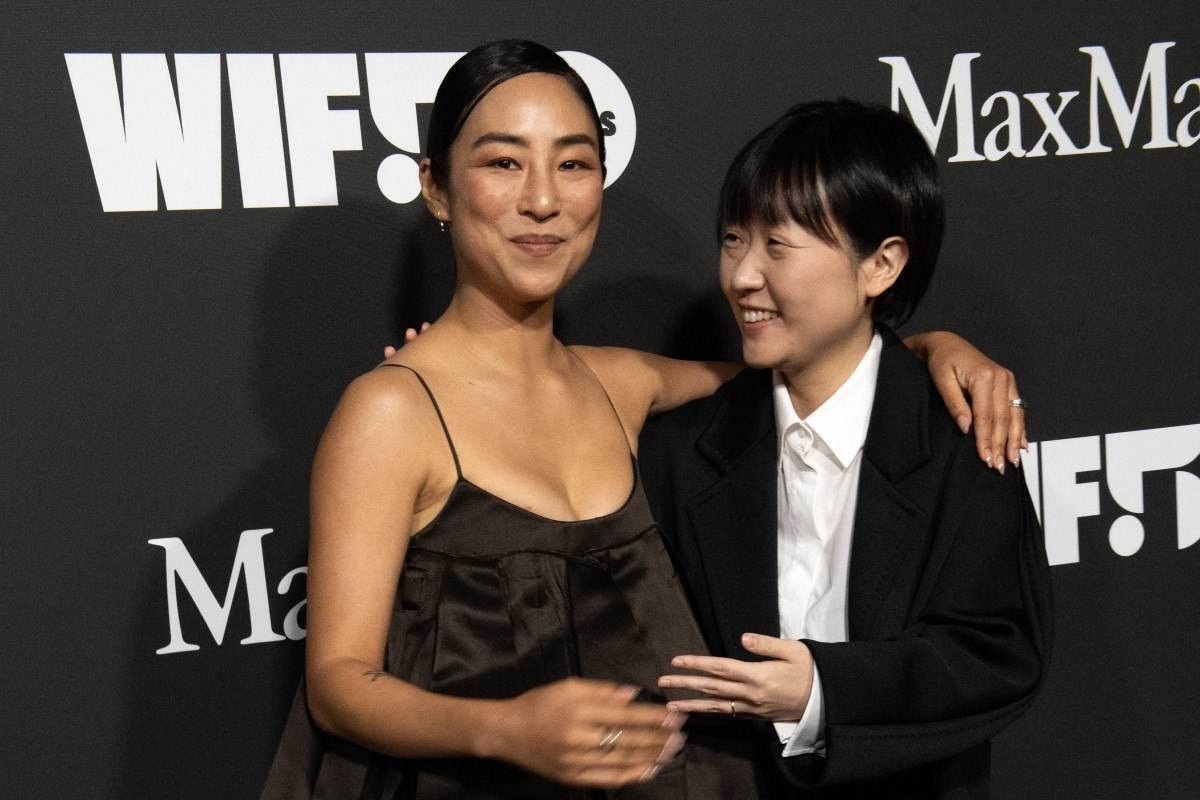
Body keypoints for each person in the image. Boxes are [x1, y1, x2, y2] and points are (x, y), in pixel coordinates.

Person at [262, 41, 1026, 799]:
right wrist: (502, 728)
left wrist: (930, 346)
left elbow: (818, 360)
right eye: (503, 163)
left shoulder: (625, 384)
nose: (542, 199)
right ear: (436, 188)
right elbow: (336, 682)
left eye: (573, 163)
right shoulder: (389, 412)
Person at [643, 99, 1052, 798]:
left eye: (778, 245)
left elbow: (997, 653)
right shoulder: (684, 450)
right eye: (735, 239)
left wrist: (823, 691)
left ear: (880, 265)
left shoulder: (965, 435)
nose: (742, 276)